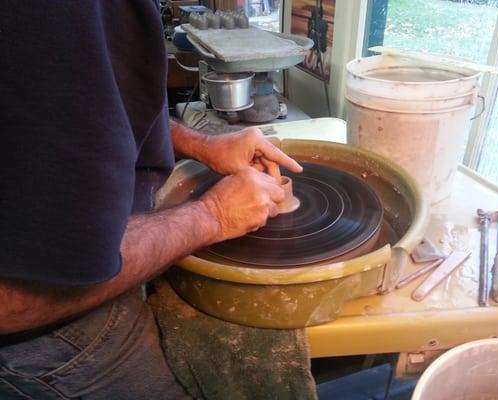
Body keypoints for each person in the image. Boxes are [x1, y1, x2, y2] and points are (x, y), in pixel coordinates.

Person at [0, 1, 302, 398]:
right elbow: (12, 300)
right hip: (49, 333)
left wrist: (202, 144)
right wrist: (212, 216)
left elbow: (102, 104)